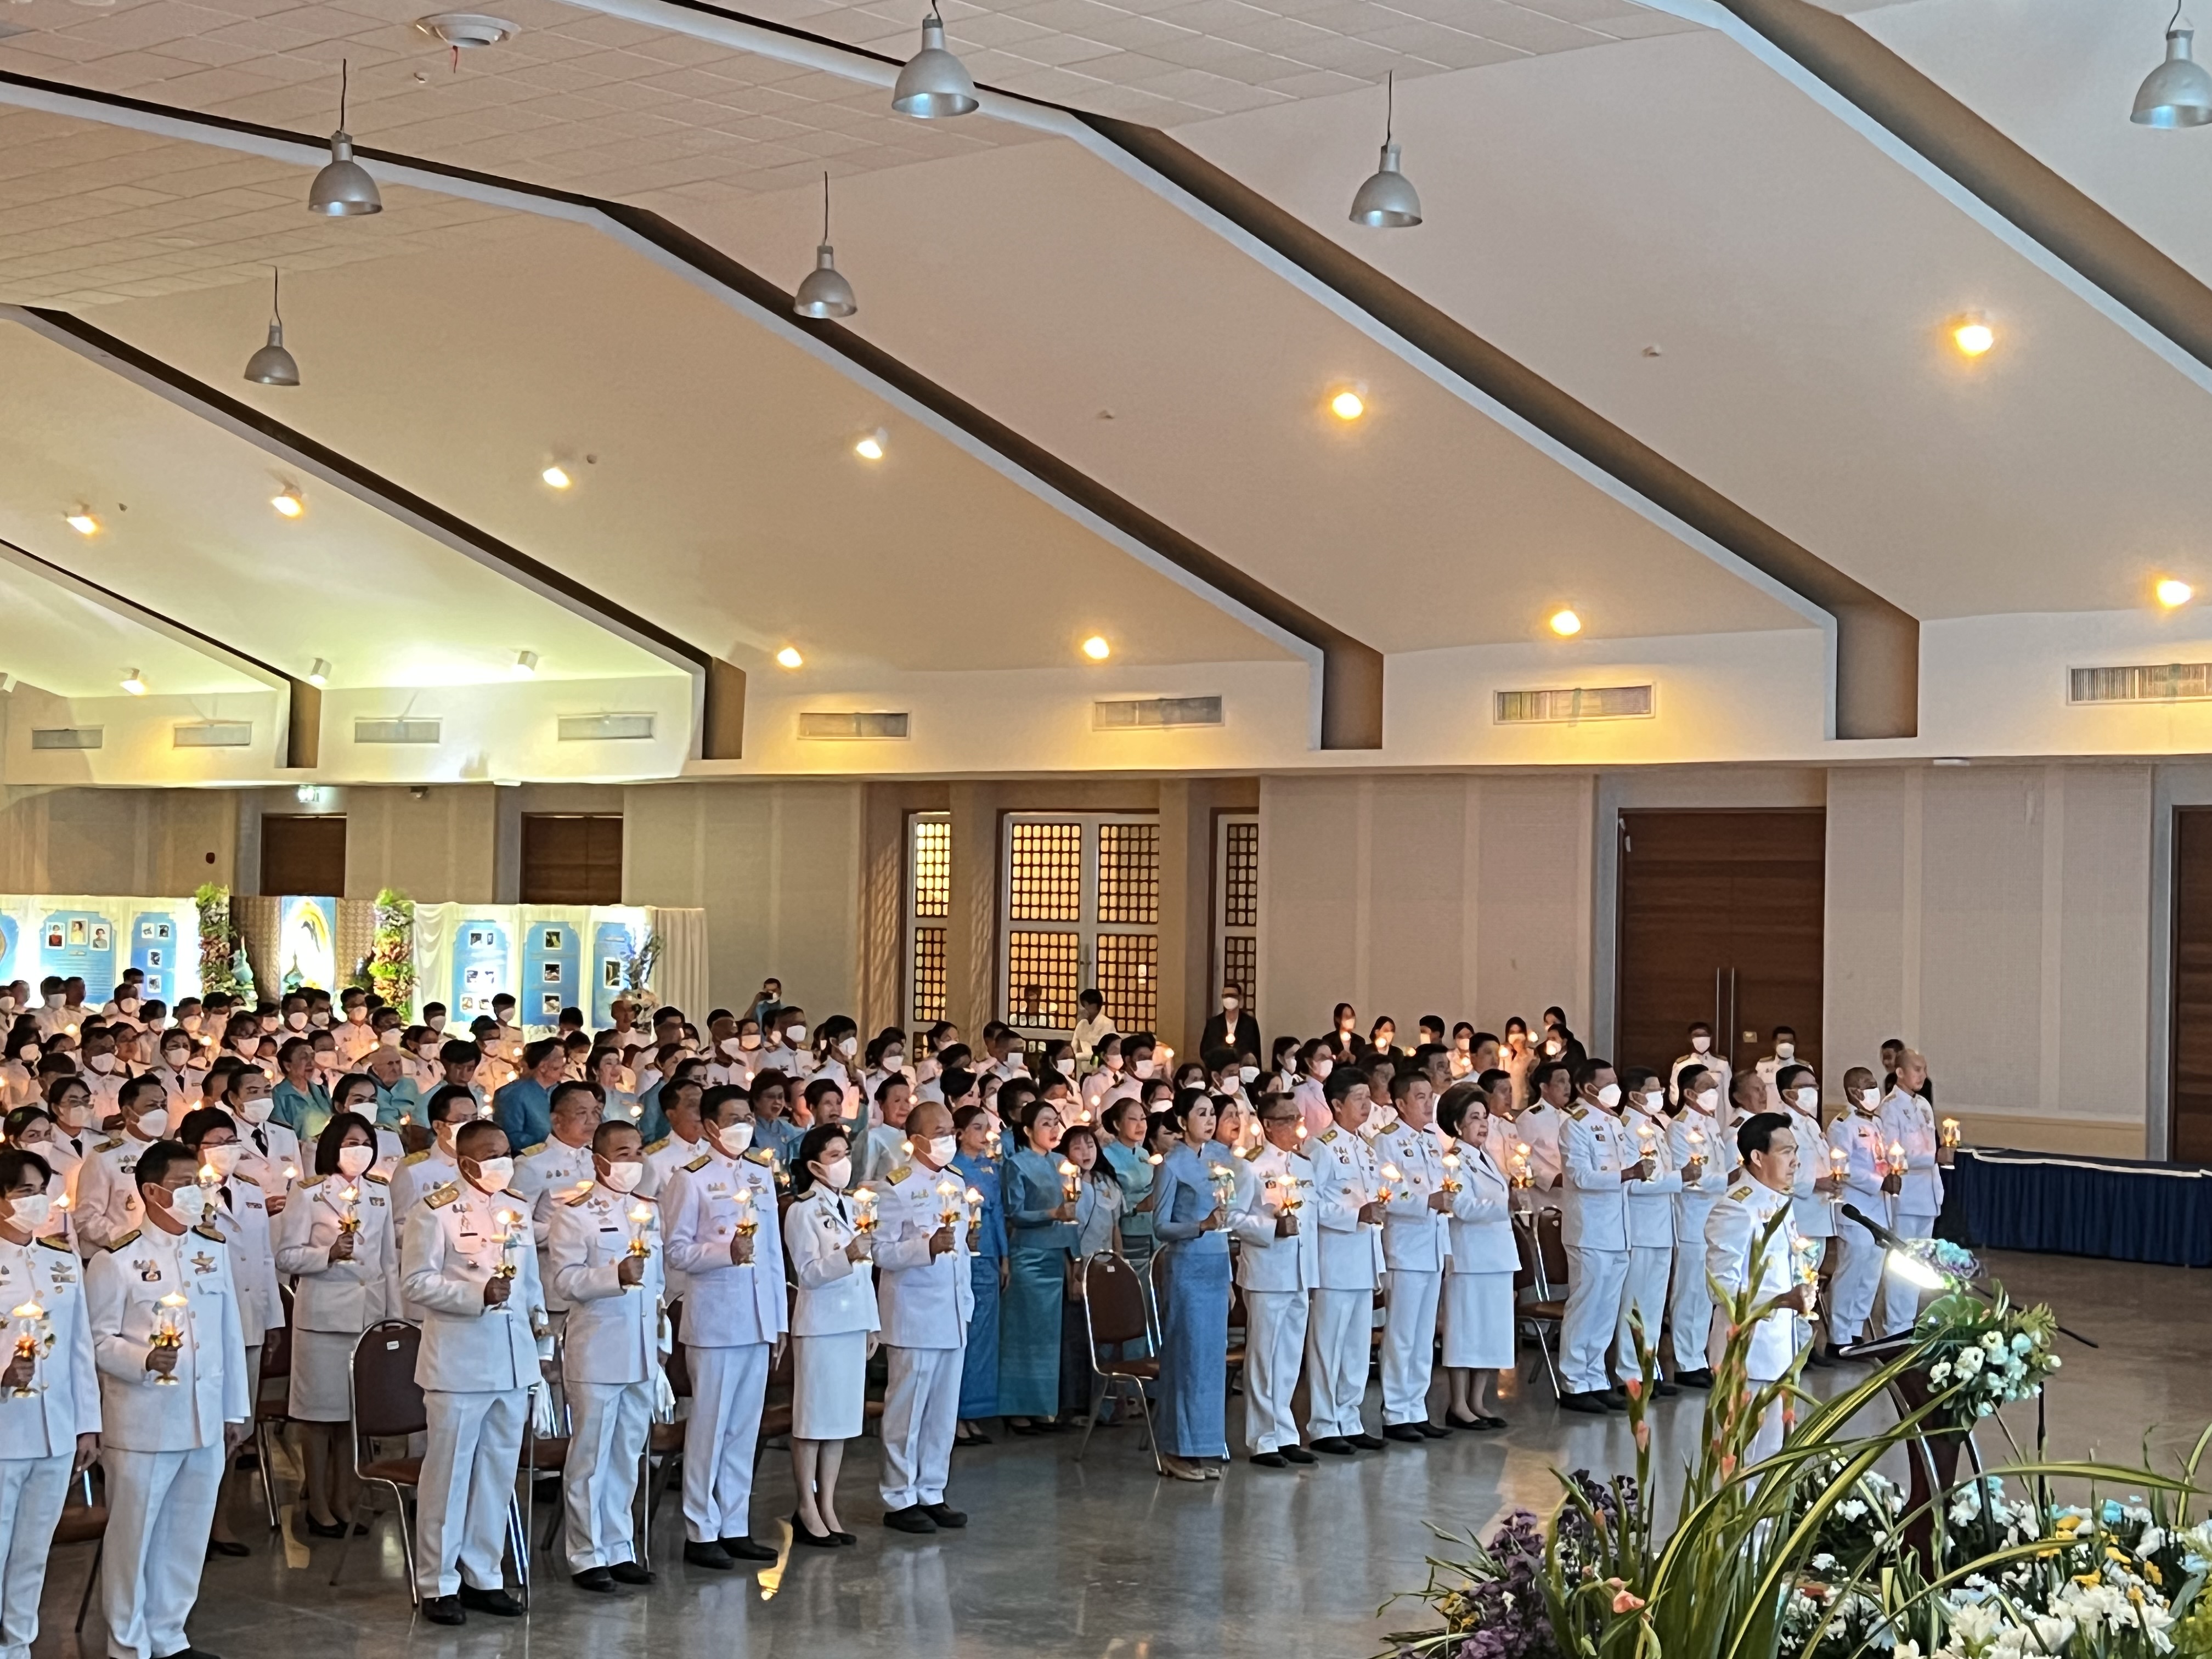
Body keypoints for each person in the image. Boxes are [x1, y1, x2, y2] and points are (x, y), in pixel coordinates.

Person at [87, 1138, 250, 1659]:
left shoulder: (211, 1247)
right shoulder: (118, 1258)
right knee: (134, 1538)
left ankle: (170, 1635)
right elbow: (95, 1340)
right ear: (153, 1191)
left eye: (199, 1183)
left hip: (202, 1418)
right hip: (144, 1421)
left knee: (186, 1533)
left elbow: (228, 1333)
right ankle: (127, 1644)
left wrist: (233, 1410)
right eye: (184, 1185)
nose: (197, 1193)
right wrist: (142, 1361)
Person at [403, 1120, 550, 1624]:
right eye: (490, 1155)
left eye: (505, 1153)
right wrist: (473, 1295)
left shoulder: (517, 1208)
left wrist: (541, 1336)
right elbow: (416, 1283)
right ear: (465, 1161)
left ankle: (484, 1573)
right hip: (459, 1364)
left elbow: (530, 1284)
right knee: (449, 1475)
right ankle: (438, 1582)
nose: (500, 1162)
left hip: (512, 1362)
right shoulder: (435, 1211)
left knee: (497, 1473)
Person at [660, 1085, 784, 1569]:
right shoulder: (690, 1179)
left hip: (756, 1319)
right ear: (710, 1126)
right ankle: (700, 1529)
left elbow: (772, 1257)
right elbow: (676, 1251)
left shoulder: (759, 1174)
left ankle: (735, 1523)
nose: (742, 1126)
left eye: (747, 1117)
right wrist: (722, 1253)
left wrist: (777, 1322)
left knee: (743, 1429)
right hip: (714, 1321)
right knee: (709, 1428)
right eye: (732, 1118)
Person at [547, 1119, 661, 1592]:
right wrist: (613, 1276)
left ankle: (620, 1546)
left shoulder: (648, 1209)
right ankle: (586, 1553)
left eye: (637, 1152)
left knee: (627, 1454)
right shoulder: (575, 1212)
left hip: (639, 1350)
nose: (631, 1161)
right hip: (596, 1349)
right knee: (591, 1456)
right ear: (599, 1160)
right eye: (621, 1152)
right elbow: (564, 1281)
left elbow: (659, 1283)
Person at [273, 1110, 393, 1538]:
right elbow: (286, 1256)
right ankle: (318, 1503)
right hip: (323, 1317)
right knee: (320, 1416)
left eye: (365, 1143)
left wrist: (391, 1318)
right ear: (332, 1147)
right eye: (350, 1144)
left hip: (366, 1315)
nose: (358, 1151)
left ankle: (346, 1499)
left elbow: (388, 1260)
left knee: (352, 1419)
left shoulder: (379, 1193)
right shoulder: (308, 1194)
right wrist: (326, 1255)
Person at [0, 1147, 100, 1659]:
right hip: (5, 1429)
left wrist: (88, 1425)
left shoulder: (59, 1260)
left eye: (40, 1192)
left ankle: (18, 1645)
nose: (36, 1202)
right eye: (23, 1192)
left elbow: (80, 1345)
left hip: (55, 1427)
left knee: (33, 1553)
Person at [174, 1105, 282, 1555]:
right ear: (194, 1149)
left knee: (236, 1428)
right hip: (204, 1324)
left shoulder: (251, 1192)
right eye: (216, 1143)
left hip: (250, 1320)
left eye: (230, 1141)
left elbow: (263, 1258)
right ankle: (190, 1525)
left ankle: (220, 1519)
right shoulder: (184, 1195)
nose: (226, 1150)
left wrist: (274, 1317)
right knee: (197, 1427)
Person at [871, 1102, 972, 1533]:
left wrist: (965, 1300)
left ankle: (933, 1489)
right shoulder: (894, 1187)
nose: (949, 1136)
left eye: (951, 1128)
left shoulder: (956, 1182)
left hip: (950, 1311)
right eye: (939, 1130)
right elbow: (881, 1251)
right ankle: (899, 1495)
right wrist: (924, 1249)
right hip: (914, 1311)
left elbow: (963, 1251)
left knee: (942, 1411)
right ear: (916, 1139)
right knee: (907, 1410)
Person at [782, 1123, 877, 1547]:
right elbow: (809, 1273)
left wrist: (872, 1322)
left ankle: (829, 1505)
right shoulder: (804, 1210)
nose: (844, 1163)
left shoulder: (852, 1206)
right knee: (813, 1419)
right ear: (816, 1166)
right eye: (835, 1155)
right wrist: (846, 1255)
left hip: (851, 1323)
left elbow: (866, 1272)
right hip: (821, 1325)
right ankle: (806, 1504)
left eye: (846, 1153)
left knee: (839, 1421)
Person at [1703, 1111, 1813, 1460]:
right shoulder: (1738, 1209)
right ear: (1757, 1157)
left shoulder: (1778, 1200)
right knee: (1744, 1462)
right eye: (1785, 1152)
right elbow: (1721, 1287)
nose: (1795, 1161)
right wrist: (1782, 1299)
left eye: (1795, 1151)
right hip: (1748, 1356)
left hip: (1780, 1352)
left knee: (1773, 1460)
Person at [1146, 1090, 1231, 1481]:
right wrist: (1200, 1226)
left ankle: (1204, 1446)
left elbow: (1230, 1217)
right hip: (1188, 1267)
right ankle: (1175, 1449)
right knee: (1187, 1359)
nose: (1210, 1120)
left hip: (1216, 1267)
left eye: (1212, 1113)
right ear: (1182, 1121)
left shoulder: (1221, 1159)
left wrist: (1230, 1277)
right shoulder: (1172, 1165)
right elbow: (1160, 1226)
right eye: (1200, 1113)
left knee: (1211, 1362)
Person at [1230, 1093, 1318, 1467]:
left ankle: (1285, 1431)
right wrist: (1270, 1227)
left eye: (1296, 1118)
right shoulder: (1250, 1166)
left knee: (1289, 1357)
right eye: (1286, 1120)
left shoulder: (1303, 1165)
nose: (1294, 1126)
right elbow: (1233, 1218)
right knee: (1264, 1356)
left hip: (1299, 1270)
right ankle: (1263, 1437)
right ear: (1267, 1124)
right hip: (1268, 1270)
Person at [1556, 1058, 1644, 1414]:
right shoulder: (1574, 1126)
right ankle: (1574, 1380)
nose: (1615, 1088)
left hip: (1618, 1229)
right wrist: (1627, 1174)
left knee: (1607, 1309)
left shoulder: (1614, 1123)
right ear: (1587, 1088)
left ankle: (1596, 1377)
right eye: (1606, 1083)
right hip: (1590, 1229)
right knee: (1586, 1305)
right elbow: (1580, 1176)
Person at [1305, 1068, 1385, 1454]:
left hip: (1362, 1258)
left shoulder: (1367, 1149)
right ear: (1336, 1105)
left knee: (1356, 1345)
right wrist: (1355, 1215)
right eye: (1358, 1098)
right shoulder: (1320, 1148)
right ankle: (1323, 1423)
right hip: (1334, 1258)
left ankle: (1349, 1417)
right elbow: (1312, 1204)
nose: (1366, 1105)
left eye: (1368, 1097)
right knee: (1328, 1344)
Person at [1373, 1071, 1451, 1440]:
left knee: (1423, 1335)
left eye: (1430, 1095)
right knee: (1402, 1333)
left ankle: (1416, 1406)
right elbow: (1387, 1194)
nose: (1428, 1102)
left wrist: (1447, 1247)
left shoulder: (1433, 1141)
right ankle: (1396, 1411)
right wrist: (1426, 1202)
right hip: (1404, 1247)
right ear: (1400, 1103)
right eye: (1419, 1096)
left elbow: (1444, 1192)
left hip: (1432, 1245)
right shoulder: (1387, 1142)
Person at [1435, 1085, 1513, 1429]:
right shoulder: (1454, 1160)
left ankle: (1479, 1401)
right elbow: (1461, 1206)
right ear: (1458, 1124)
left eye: (1485, 1117)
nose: (1483, 1124)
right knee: (1466, 1331)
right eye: (1475, 1118)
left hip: (1495, 1255)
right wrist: (1503, 1208)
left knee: (1491, 1331)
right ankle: (1458, 1404)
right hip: (1470, 1256)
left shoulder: (1487, 1157)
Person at [998, 1097, 1077, 1434]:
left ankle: (1045, 1408)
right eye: (1045, 1123)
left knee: (1050, 1337)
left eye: (1056, 1121)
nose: (1053, 1128)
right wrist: (1051, 1214)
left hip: (1056, 1253)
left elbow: (1073, 1217)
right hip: (1029, 1256)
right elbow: (1014, 1212)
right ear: (1028, 1129)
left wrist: (1073, 1258)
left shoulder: (1062, 1163)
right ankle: (1017, 1409)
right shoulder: (1016, 1164)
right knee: (1025, 1334)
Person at [1613, 1066, 1683, 1400]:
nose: (1661, 1093)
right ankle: (1629, 1374)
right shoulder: (1626, 1129)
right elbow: (1637, 1183)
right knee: (1636, 1304)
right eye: (1654, 1089)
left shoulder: (1655, 1126)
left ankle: (1647, 1369)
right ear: (1636, 1095)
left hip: (1662, 1228)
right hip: (1641, 1228)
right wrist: (1681, 1179)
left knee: (1655, 1306)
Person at [513, 1081, 601, 1339]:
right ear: (557, 1119)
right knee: (553, 1364)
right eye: (581, 1113)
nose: (591, 1120)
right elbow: (515, 1224)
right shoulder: (533, 1164)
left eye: (595, 1112)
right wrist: (560, 1232)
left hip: (595, 1279)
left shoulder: (595, 1159)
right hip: (553, 1282)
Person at [1667, 1065, 1730, 1389]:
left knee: (1707, 1291)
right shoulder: (1679, 1128)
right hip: (1693, 1217)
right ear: (1690, 1093)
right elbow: (1690, 1177)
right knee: (1691, 1291)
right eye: (1706, 1086)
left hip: (1714, 1217)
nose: (1713, 1092)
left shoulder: (1710, 1124)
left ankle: (1700, 1355)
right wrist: (1727, 1180)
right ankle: (1687, 1360)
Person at [1772, 1064, 1838, 1366]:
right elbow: (1783, 1172)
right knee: (1798, 1282)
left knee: (1810, 1283)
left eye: (1815, 1084)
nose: (1815, 1090)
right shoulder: (1784, 1126)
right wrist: (1816, 1183)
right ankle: (1795, 1350)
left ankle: (1807, 1346)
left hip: (1819, 1213)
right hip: (1800, 1214)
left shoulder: (1811, 1125)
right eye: (1806, 1086)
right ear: (1788, 1093)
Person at [1825, 1066, 1893, 1353]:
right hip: (1855, 1206)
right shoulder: (1841, 1125)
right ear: (1853, 1091)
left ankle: (1856, 1331)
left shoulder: (1876, 1122)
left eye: (1874, 1083)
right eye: (1867, 1085)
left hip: (1879, 1207)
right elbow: (1843, 1167)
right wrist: (1880, 1181)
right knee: (1852, 1270)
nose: (1873, 1089)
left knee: (1871, 1271)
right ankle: (1838, 1336)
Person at [948, 1102, 1004, 1447]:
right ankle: (954, 1414)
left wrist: (1004, 1257)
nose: (985, 1135)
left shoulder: (991, 1169)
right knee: (964, 1334)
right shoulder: (952, 1170)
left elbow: (997, 1216)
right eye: (978, 1128)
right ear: (961, 1133)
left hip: (989, 1255)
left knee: (984, 1337)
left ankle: (974, 1412)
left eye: (987, 1128)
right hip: (964, 1254)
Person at [1877, 1049, 1943, 1339]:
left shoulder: (1924, 1106)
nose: (1922, 1075)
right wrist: (1933, 1157)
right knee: (1902, 1261)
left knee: (1919, 1262)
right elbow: (1896, 1152)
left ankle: (1911, 1320)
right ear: (1900, 1072)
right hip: (1905, 1194)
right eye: (1916, 1069)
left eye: (1925, 1069)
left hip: (1926, 1193)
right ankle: (1896, 1326)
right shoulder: (1890, 1107)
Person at [70, 1075, 173, 1255]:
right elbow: (85, 1218)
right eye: (151, 1106)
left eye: (163, 1106)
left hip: (167, 1252)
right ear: (127, 1113)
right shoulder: (104, 1157)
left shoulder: (171, 1155)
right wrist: (133, 1239)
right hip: (121, 1256)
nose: (160, 1112)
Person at [493, 1040, 565, 1151]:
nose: (564, 1068)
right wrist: (548, 1145)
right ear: (543, 1066)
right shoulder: (513, 1094)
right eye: (559, 1061)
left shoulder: (561, 1091)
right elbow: (510, 1136)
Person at [270, 1038, 332, 1142]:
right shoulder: (277, 1097)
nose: (311, 1063)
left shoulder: (322, 1090)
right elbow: (280, 1137)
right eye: (304, 1057)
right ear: (288, 1066)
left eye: (312, 1057)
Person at [1669, 1021, 1731, 1107]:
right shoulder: (1681, 1064)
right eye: (1697, 1035)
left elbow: (1728, 1090)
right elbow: (1675, 1095)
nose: (1701, 1038)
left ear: (1711, 1037)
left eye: (1705, 1035)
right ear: (1690, 1039)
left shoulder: (1722, 1063)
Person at [1199, 984, 1261, 1064]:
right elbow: (1205, 1051)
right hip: (1219, 1069)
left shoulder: (1250, 1024)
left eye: (1232, 996)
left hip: (1242, 1070)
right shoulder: (1213, 1023)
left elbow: (1256, 1052)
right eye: (1225, 996)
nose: (1229, 999)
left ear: (1240, 998)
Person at [1753, 1027, 1800, 1113]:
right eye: (1782, 1042)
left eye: (1790, 1042)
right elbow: (1756, 1094)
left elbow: (1810, 1101)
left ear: (1795, 1044)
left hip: (1794, 1119)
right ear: (1774, 1044)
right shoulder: (1762, 1066)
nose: (1787, 1045)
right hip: (1769, 1117)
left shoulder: (1804, 1068)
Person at [1070, 991, 1113, 1068]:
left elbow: (1104, 1050)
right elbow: (1074, 1046)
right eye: (1083, 1005)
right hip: (1081, 1067)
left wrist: (1083, 1055)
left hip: (1101, 1067)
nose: (1084, 1008)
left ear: (1096, 1005)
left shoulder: (1107, 1023)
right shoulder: (1082, 1024)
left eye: (1087, 1004)